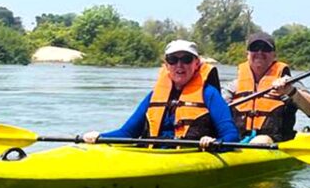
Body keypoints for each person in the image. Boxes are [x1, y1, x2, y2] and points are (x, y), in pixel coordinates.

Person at [81, 40, 239, 149]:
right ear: (166, 64)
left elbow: (231, 135)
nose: (179, 65)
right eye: (173, 60)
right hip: (153, 154)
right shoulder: (154, 96)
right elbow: (127, 133)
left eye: (186, 59)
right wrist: (100, 136)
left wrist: (215, 143)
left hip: (191, 156)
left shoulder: (209, 94)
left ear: (196, 63)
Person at [223, 32, 310, 145]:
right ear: (247, 54)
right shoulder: (234, 86)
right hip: (237, 141)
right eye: (254, 48)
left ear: (274, 55)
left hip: (274, 140)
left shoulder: (288, 83)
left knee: (260, 141)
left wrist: (291, 92)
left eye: (265, 49)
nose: (260, 52)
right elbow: (215, 110)